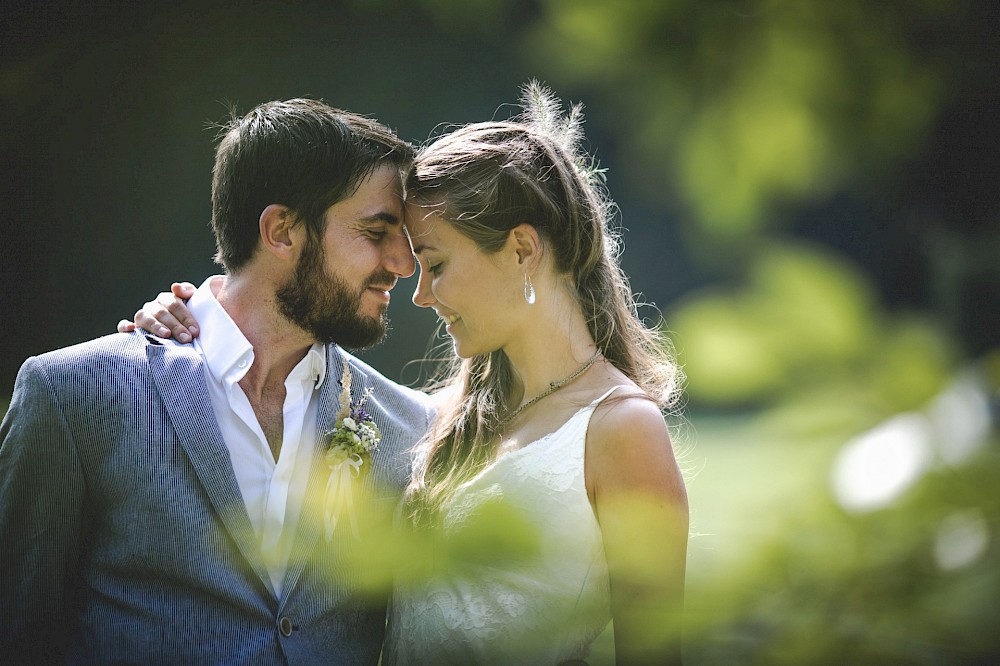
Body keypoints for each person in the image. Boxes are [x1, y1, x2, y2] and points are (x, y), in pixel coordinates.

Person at [124, 83, 689, 664]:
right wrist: (198, 320)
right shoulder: (429, 423)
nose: (417, 292)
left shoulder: (623, 430)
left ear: (522, 249)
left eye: (436, 264)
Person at [0, 98, 433, 664]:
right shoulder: (76, 391)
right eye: (378, 232)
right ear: (282, 231)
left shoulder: (409, 427)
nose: (404, 264)